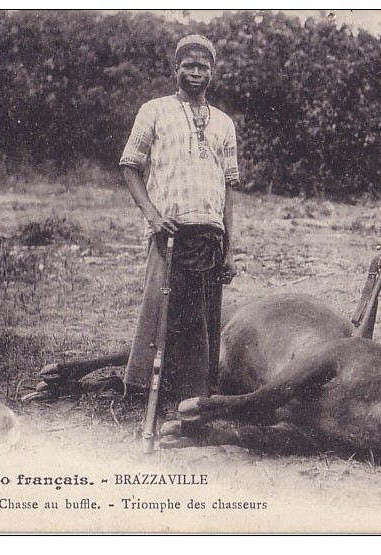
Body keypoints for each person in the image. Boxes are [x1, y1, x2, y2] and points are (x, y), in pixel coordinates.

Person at [119, 34, 240, 415]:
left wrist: (230, 248)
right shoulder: (154, 110)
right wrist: (154, 217)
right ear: (175, 70)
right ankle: (143, 394)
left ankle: (191, 399)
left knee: (201, 321)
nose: (195, 73)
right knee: (161, 312)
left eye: (203, 67)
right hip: (169, 233)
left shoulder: (223, 123)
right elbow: (130, 166)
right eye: (188, 65)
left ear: (212, 73)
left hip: (210, 235)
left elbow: (229, 188)